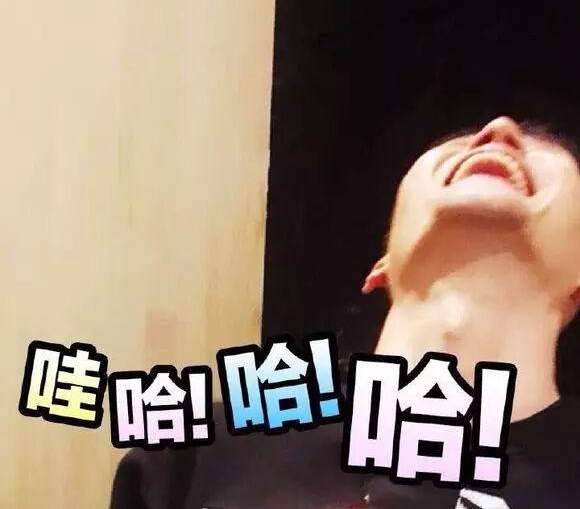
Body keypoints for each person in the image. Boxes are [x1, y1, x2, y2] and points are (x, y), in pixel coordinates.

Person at [110, 116, 580, 508]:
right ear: (381, 267)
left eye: (542, 148)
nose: (499, 131)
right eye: (457, 142)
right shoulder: (197, 452)